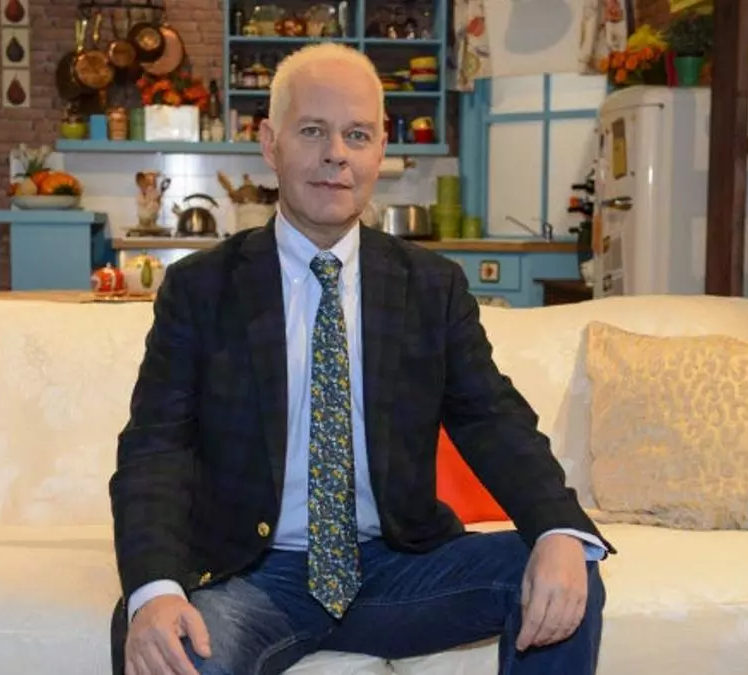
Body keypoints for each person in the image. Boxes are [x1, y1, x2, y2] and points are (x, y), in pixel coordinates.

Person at [109, 42, 614, 675]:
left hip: (398, 567)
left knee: (567, 569)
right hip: (250, 577)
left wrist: (558, 530)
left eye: (357, 134)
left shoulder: (430, 286)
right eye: (312, 131)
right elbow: (155, 447)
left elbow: (493, 419)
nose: (336, 154)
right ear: (270, 143)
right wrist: (155, 590)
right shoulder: (201, 288)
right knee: (176, 653)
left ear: (380, 150)